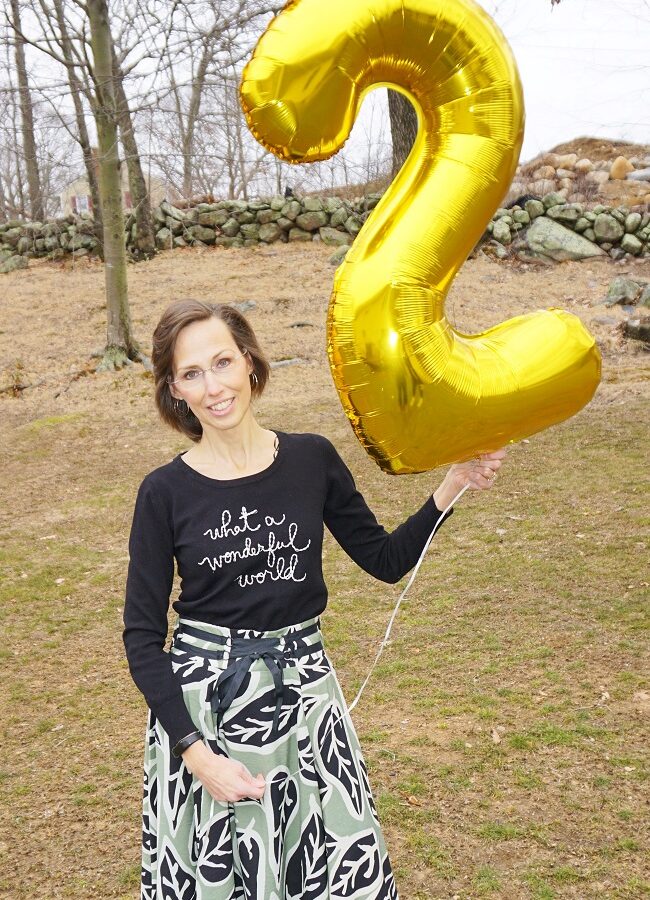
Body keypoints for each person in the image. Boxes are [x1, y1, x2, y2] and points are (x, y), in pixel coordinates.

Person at [123, 298, 505, 899]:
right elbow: (142, 638)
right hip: (206, 713)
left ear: (249, 362)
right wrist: (197, 756)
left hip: (306, 697)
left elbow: (383, 560)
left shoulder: (310, 459)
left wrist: (452, 484)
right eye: (191, 373)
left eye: (222, 362)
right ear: (175, 389)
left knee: (329, 871)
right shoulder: (164, 492)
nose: (213, 386)